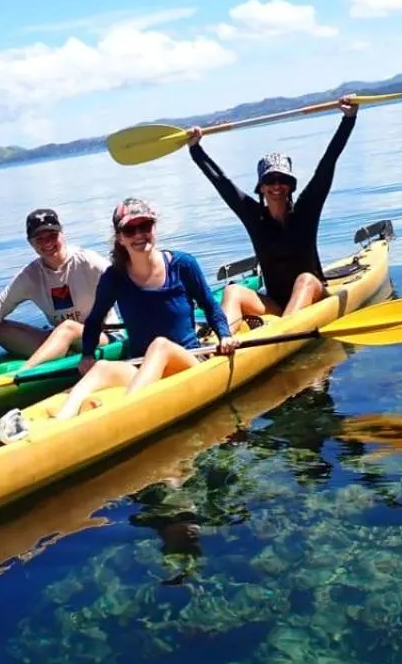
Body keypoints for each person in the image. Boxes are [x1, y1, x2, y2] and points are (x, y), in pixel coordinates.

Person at [49, 198, 237, 422]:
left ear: (154, 229)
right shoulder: (114, 278)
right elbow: (94, 320)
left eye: (145, 226)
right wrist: (87, 354)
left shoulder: (183, 265)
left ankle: (124, 416)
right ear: (120, 238)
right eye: (130, 229)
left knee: (160, 346)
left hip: (188, 362)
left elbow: (210, 306)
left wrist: (225, 335)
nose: (139, 234)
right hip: (141, 366)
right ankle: (60, 421)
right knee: (100, 367)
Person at [185, 96, 359, 328]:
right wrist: (196, 149)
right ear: (261, 187)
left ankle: (280, 336)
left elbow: (328, 163)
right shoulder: (253, 216)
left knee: (305, 280)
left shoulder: (306, 209)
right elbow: (221, 182)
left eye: (282, 180)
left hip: (314, 294)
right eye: (270, 180)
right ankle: (223, 341)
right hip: (276, 305)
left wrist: (348, 119)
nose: (277, 186)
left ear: (290, 185)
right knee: (233, 291)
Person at [0, 207, 111, 371]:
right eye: (39, 239)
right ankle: (61, 353)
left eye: (52, 235)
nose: (47, 243)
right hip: (61, 336)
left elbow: (126, 284)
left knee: (68, 327)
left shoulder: (87, 261)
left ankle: (22, 374)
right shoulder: (30, 276)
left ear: (62, 233)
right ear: (30, 243)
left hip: (103, 335)